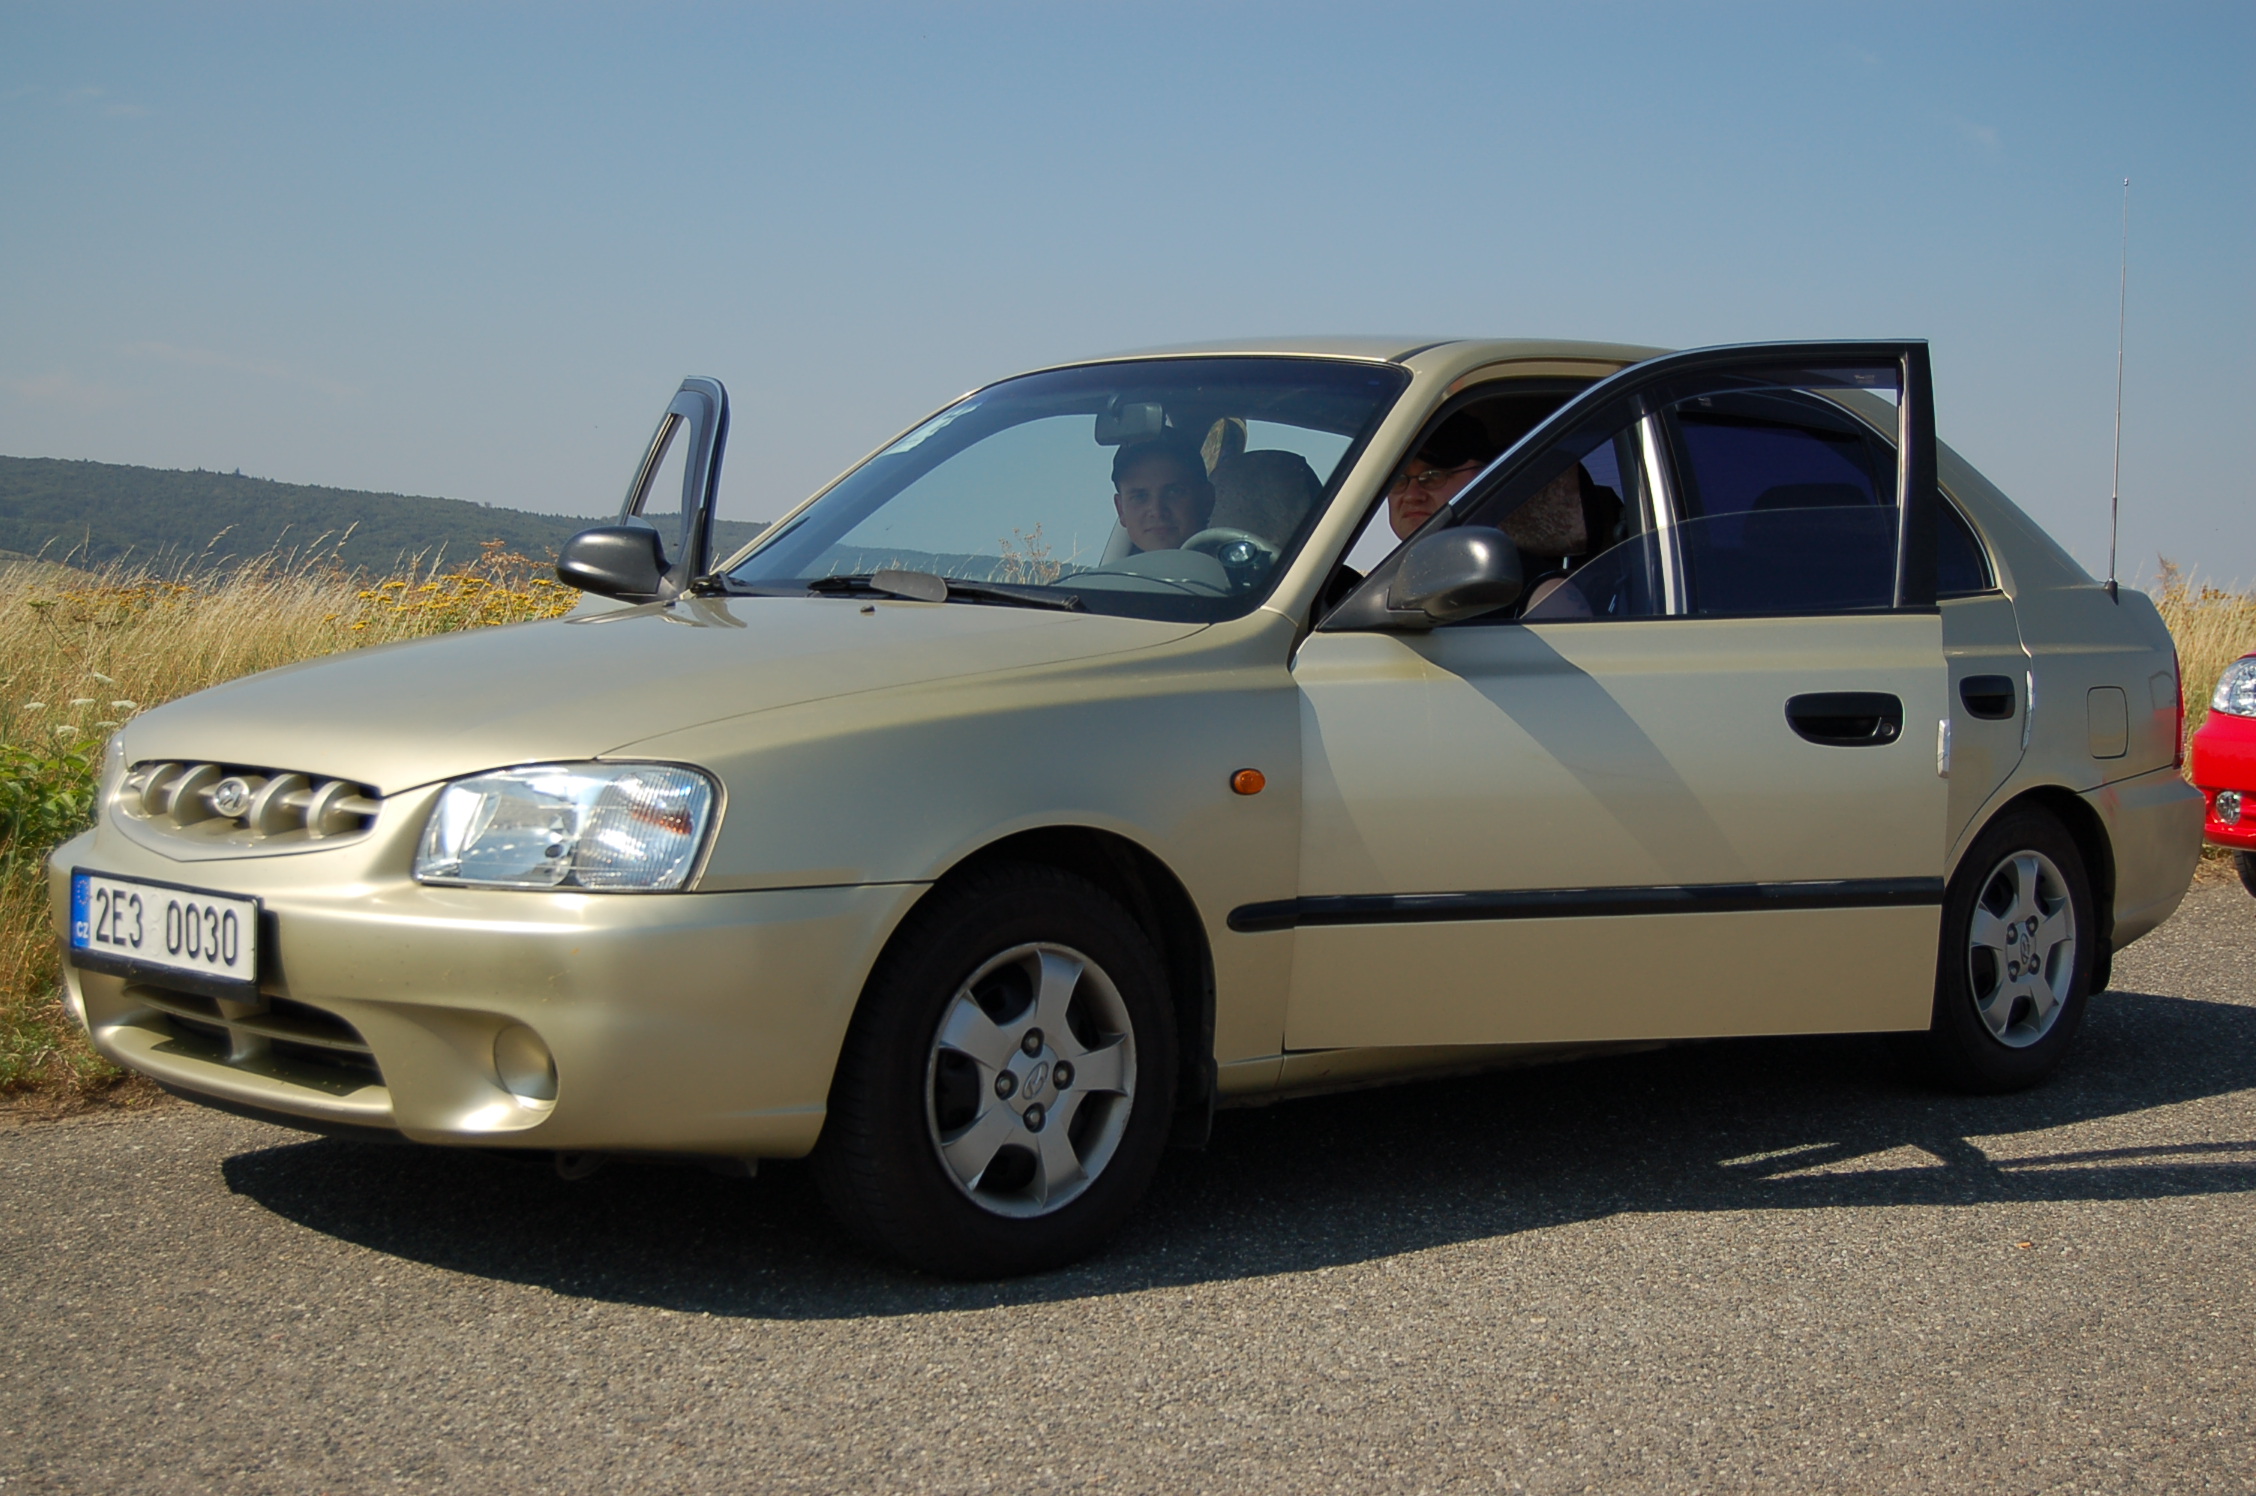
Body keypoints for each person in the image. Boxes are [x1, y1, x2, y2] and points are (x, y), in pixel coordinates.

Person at [1386, 411, 1496, 539]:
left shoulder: (1509, 550)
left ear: (1484, 477)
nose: (1411, 496)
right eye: (1398, 480)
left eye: (1433, 476)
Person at [1111, 436, 1214, 554]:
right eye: (1140, 497)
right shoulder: (1114, 566)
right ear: (1120, 510)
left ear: (1206, 500)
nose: (1157, 511)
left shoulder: (1228, 566)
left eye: (1174, 492)